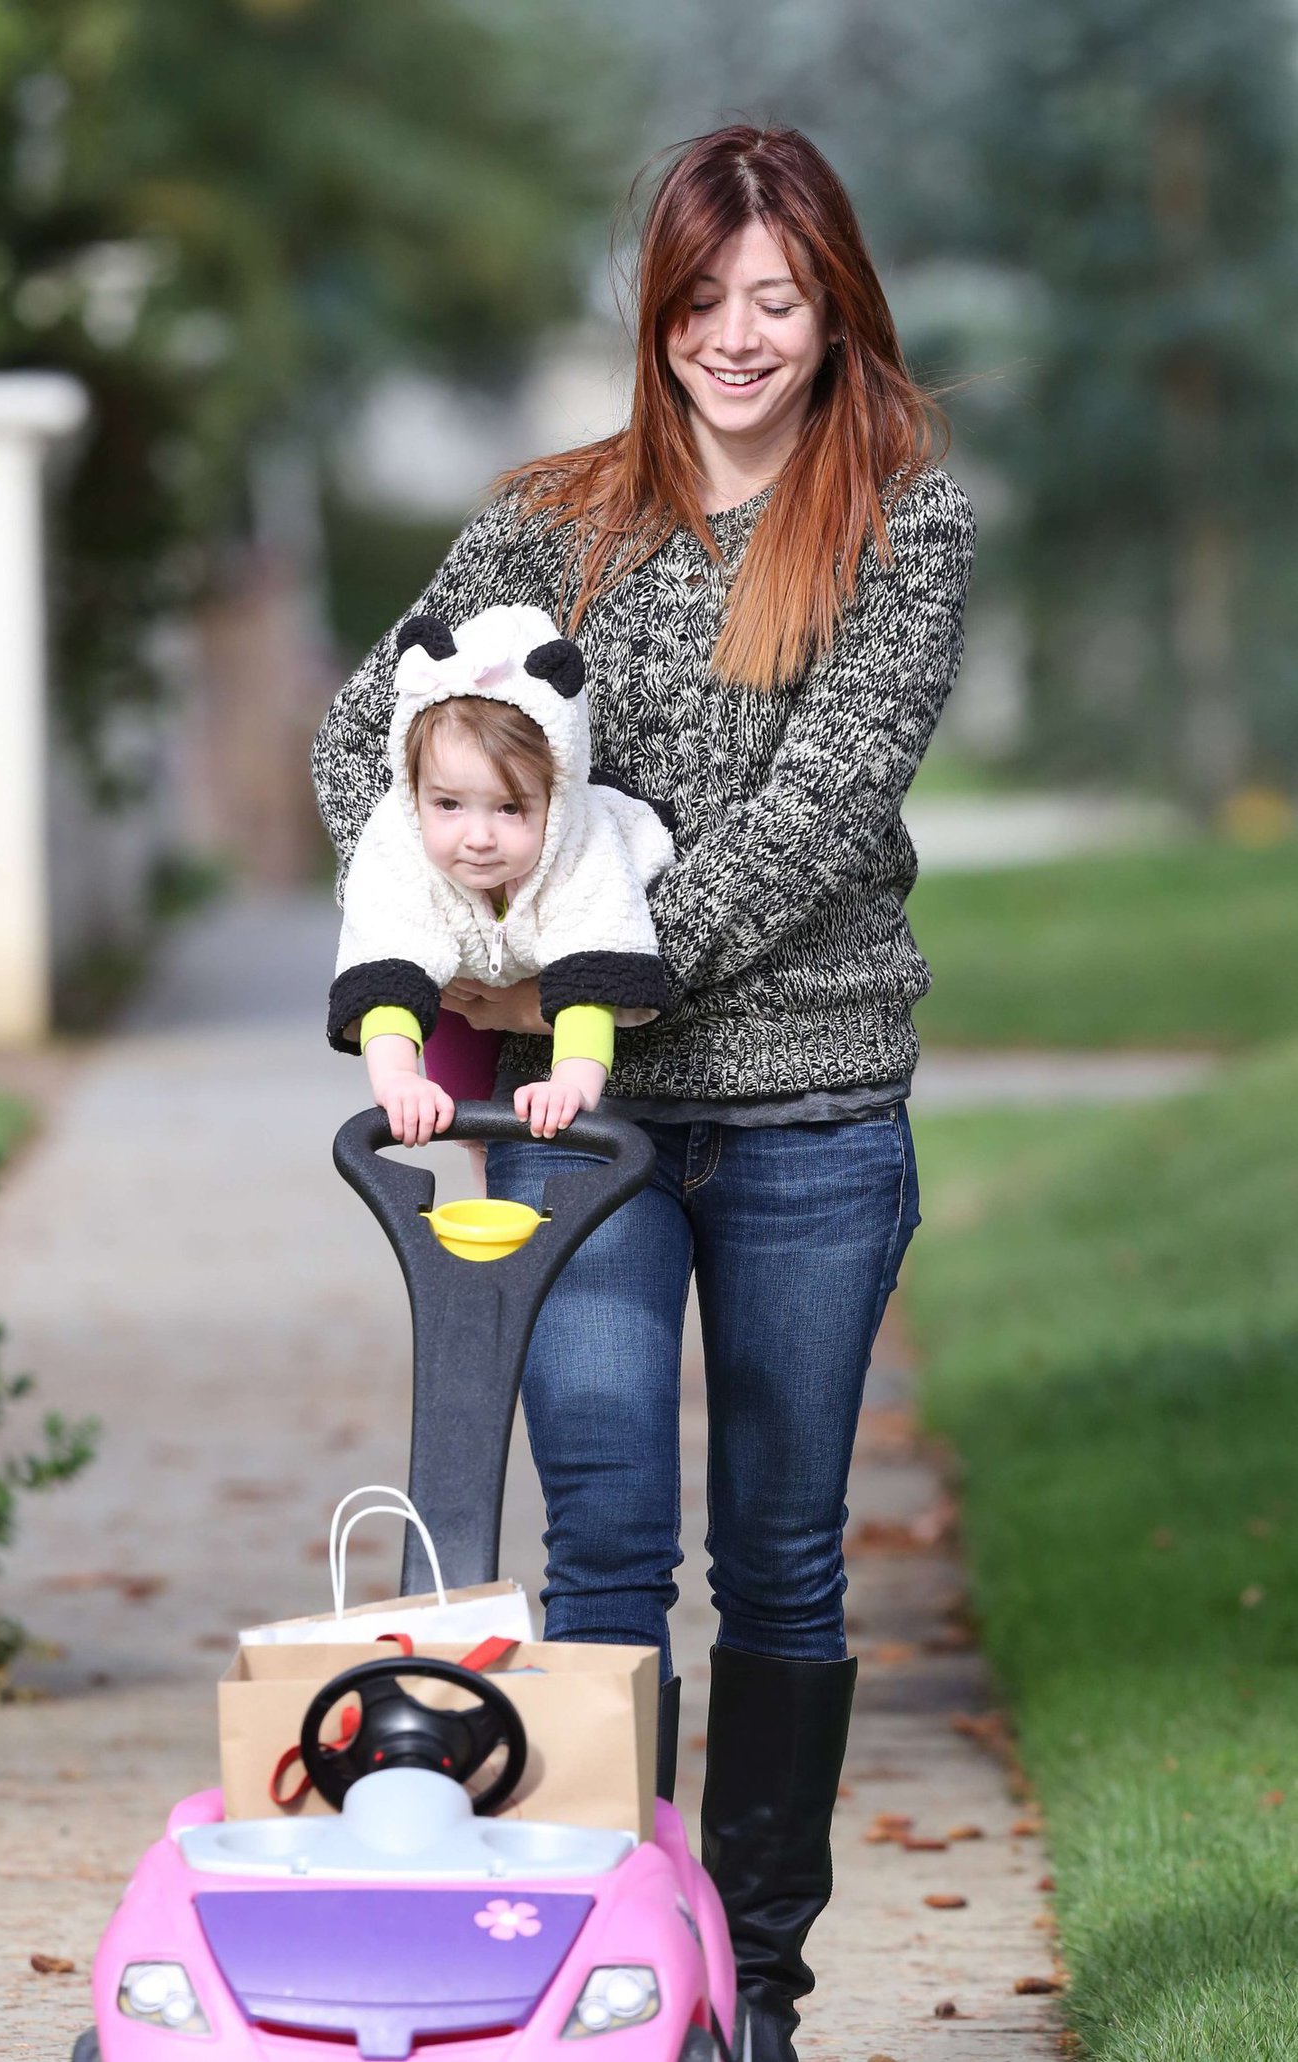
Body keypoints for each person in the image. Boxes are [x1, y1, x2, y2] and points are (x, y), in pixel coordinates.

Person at [312, 122, 976, 2062]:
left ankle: (753, 1965)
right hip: (560, 1132)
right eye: (703, 301)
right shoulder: (547, 519)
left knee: (777, 1543)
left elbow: (824, 805)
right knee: (605, 1533)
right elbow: (367, 737)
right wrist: (441, 928)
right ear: (656, 313)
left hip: (804, 1103)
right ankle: (614, 1954)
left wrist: (588, 954)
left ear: (833, 300)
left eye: (777, 298)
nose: (739, 337)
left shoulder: (900, 520)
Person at [327, 600, 675, 1146]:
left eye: (509, 808)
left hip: (544, 955)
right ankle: (481, 1177)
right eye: (448, 805)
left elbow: (596, 966)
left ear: (554, 801)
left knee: (561, 1099)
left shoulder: (583, 847)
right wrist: (397, 1081)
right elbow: (384, 967)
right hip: (459, 978)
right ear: (414, 793)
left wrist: (571, 1083)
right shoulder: (395, 846)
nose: (479, 837)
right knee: (464, 1114)